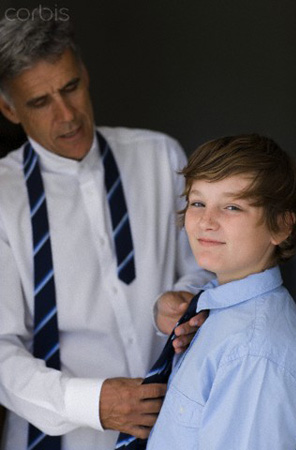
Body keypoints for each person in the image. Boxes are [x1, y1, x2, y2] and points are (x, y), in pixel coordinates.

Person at [0, 13, 212, 450]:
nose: (67, 116)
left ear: (85, 74)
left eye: (71, 87)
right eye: (40, 102)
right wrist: (92, 402)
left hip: (175, 429)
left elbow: (203, 269)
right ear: (9, 109)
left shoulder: (160, 157)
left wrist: (180, 300)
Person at [146, 134, 296, 450]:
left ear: (281, 227)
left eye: (232, 207)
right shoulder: (210, 308)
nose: (206, 221)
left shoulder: (254, 353)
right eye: (197, 202)